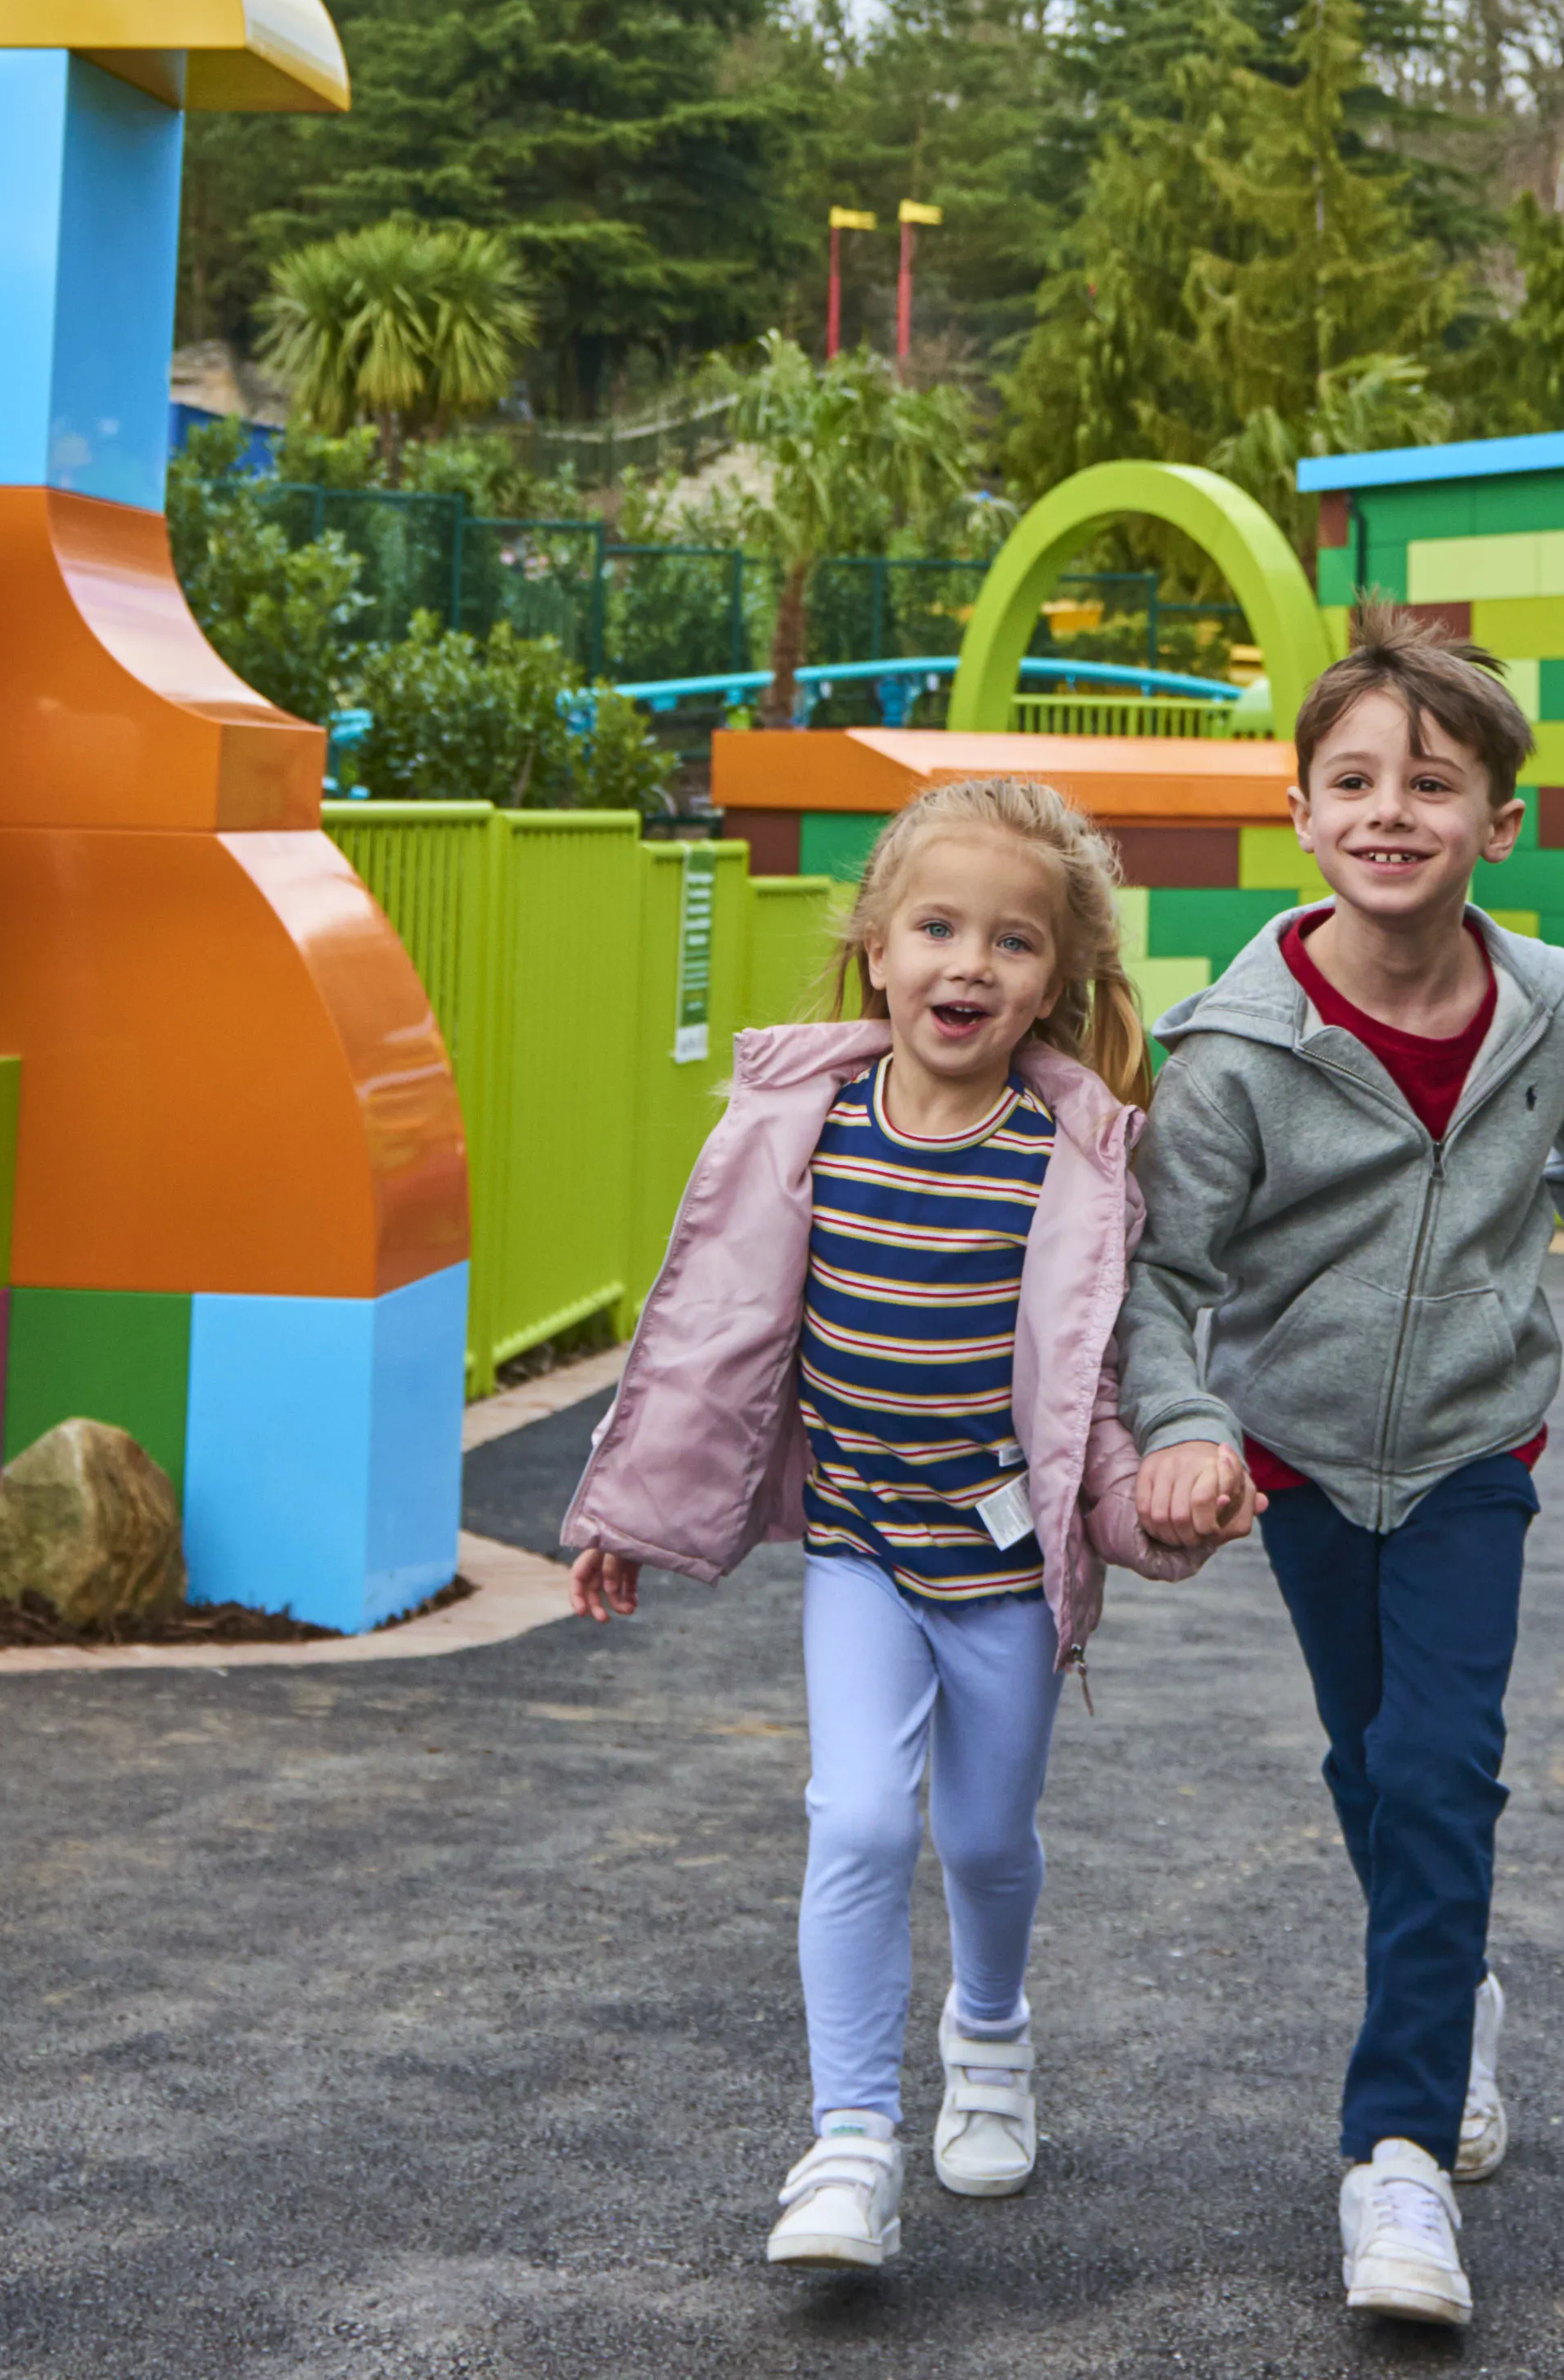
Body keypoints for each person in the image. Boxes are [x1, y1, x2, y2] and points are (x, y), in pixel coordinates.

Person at [1123, 603, 1564, 2330]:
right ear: (1299, 810)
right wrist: (1188, 1426)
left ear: (1500, 818)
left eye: (1432, 781)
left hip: (1470, 1447)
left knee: (1437, 1766)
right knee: (1370, 1759)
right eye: (1350, 777)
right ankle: (1452, 1982)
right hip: (1287, 1450)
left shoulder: (1548, 1005)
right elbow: (1162, 1276)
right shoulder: (1231, 1044)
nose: (1388, 809)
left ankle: (1396, 2153)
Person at [558, 776, 1201, 2277]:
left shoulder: (1075, 1165)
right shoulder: (806, 1122)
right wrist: (625, 1508)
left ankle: (989, 2033)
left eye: (1013, 942)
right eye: (936, 926)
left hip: (1003, 1579)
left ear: (1066, 980)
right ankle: (849, 2138)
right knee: (853, 1818)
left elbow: (1091, 1398)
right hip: (858, 1553)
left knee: (982, 1838)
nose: (969, 964)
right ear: (873, 942)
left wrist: (1158, 1511)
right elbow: (707, 1336)